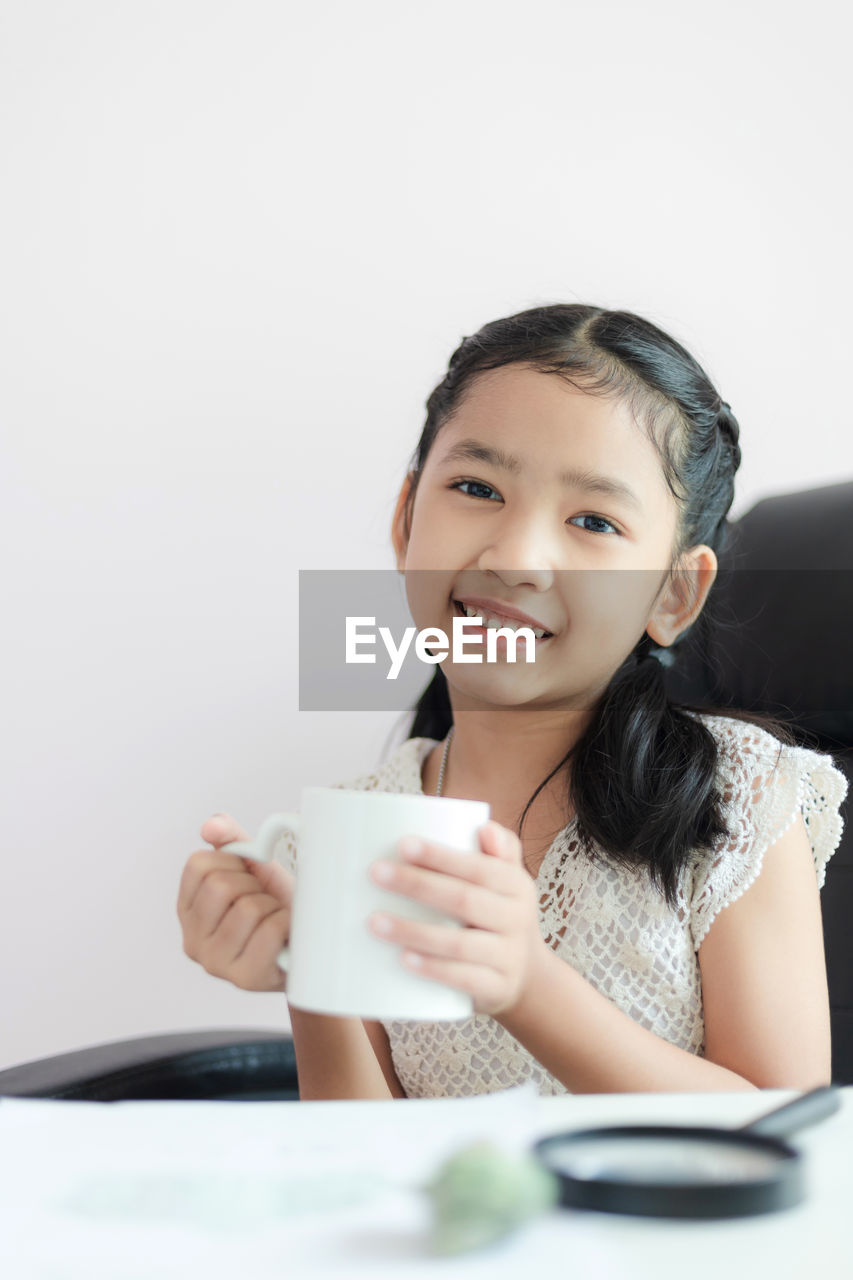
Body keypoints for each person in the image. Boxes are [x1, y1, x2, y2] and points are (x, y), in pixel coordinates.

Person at [177, 303, 848, 1099]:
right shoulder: (355, 827)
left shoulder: (740, 797)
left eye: (592, 520)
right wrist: (308, 972)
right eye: (476, 487)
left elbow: (787, 1124)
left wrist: (528, 986)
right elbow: (362, 1155)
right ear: (404, 521)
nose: (516, 557)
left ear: (673, 592)